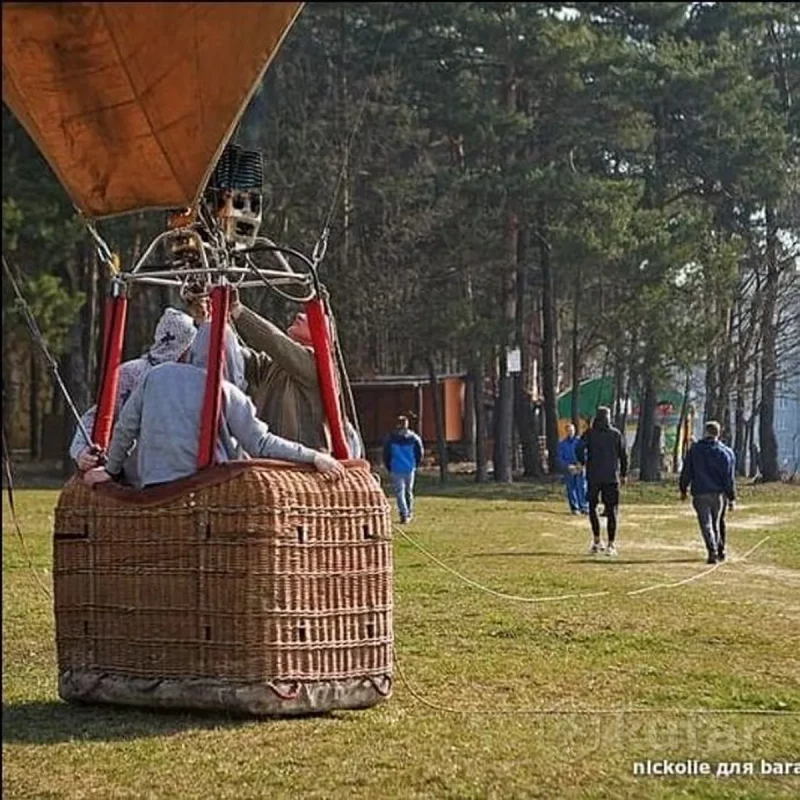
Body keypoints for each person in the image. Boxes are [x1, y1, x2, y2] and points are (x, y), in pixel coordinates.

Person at [83, 322, 344, 490]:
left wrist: (110, 470)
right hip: (207, 488)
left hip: (155, 485)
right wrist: (313, 456)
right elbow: (260, 443)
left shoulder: (156, 376)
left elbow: (125, 429)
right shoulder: (225, 391)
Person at [71, 307, 198, 483]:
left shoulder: (194, 378)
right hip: (134, 476)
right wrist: (80, 451)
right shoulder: (131, 373)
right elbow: (98, 416)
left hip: (182, 472)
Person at [230, 296, 364, 458]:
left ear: (322, 337)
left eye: (310, 320)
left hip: (302, 463)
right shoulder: (277, 366)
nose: (300, 316)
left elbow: (275, 342)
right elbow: (238, 354)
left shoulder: (316, 364)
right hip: (272, 459)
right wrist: (215, 319)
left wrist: (238, 311)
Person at [679, 420, 736, 564]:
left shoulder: (695, 450)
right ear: (718, 433)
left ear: (705, 432)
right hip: (718, 494)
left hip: (700, 492)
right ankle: (719, 550)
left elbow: (687, 471)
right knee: (717, 523)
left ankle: (712, 550)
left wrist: (683, 488)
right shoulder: (726, 452)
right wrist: (731, 497)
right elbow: (729, 477)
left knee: (706, 523)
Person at [577, 406, 628, 556]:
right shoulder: (615, 434)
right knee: (612, 510)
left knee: (592, 507)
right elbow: (623, 455)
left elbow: (579, 448)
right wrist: (624, 473)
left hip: (593, 475)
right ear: (609, 417)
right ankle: (611, 544)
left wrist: (583, 461)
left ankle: (597, 540)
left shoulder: (590, 433)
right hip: (611, 476)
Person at [383, 415, 424, 524]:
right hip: (409, 467)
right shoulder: (414, 438)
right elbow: (420, 453)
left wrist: (388, 466)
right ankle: (409, 512)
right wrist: (415, 464)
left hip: (396, 467)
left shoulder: (391, 438)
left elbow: (386, 454)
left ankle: (403, 513)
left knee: (399, 493)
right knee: (408, 491)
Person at [557, 424, 588, 514]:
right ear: (566, 431)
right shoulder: (562, 444)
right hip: (569, 468)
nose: (570, 432)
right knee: (571, 488)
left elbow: (585, 454)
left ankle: (584, 506)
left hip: (579, 467)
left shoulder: (579, 442)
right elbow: (560, 457)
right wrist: (567, 466)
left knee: (582, 487)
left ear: (574, 431)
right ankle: (575, 507)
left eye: (572, 430)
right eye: (568, 430)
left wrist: (581, 464)